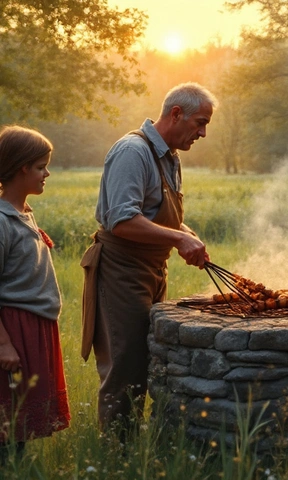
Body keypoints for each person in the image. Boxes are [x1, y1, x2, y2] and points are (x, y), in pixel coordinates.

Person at [80, 82, 217, 432]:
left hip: (153, 269)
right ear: (176, 114)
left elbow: (157, 213)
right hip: (121, 270)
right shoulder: (132, 151)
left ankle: (141, 437)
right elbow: (122, 219)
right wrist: (176, 238)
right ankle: (117, 449)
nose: (202, 133)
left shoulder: (170, 156)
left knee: (150, 357)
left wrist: (186, 235)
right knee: (125, 362)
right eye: (200, 122)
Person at [0, 126, 70, 459]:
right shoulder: (1, 221)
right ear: (21, 167)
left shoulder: (24, 214)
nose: (47, 173)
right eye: (41, 166)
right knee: (7, 417)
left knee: (21, 419)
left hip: (35, 325)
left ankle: (16, 465)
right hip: (13, 328)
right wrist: (4, 343)